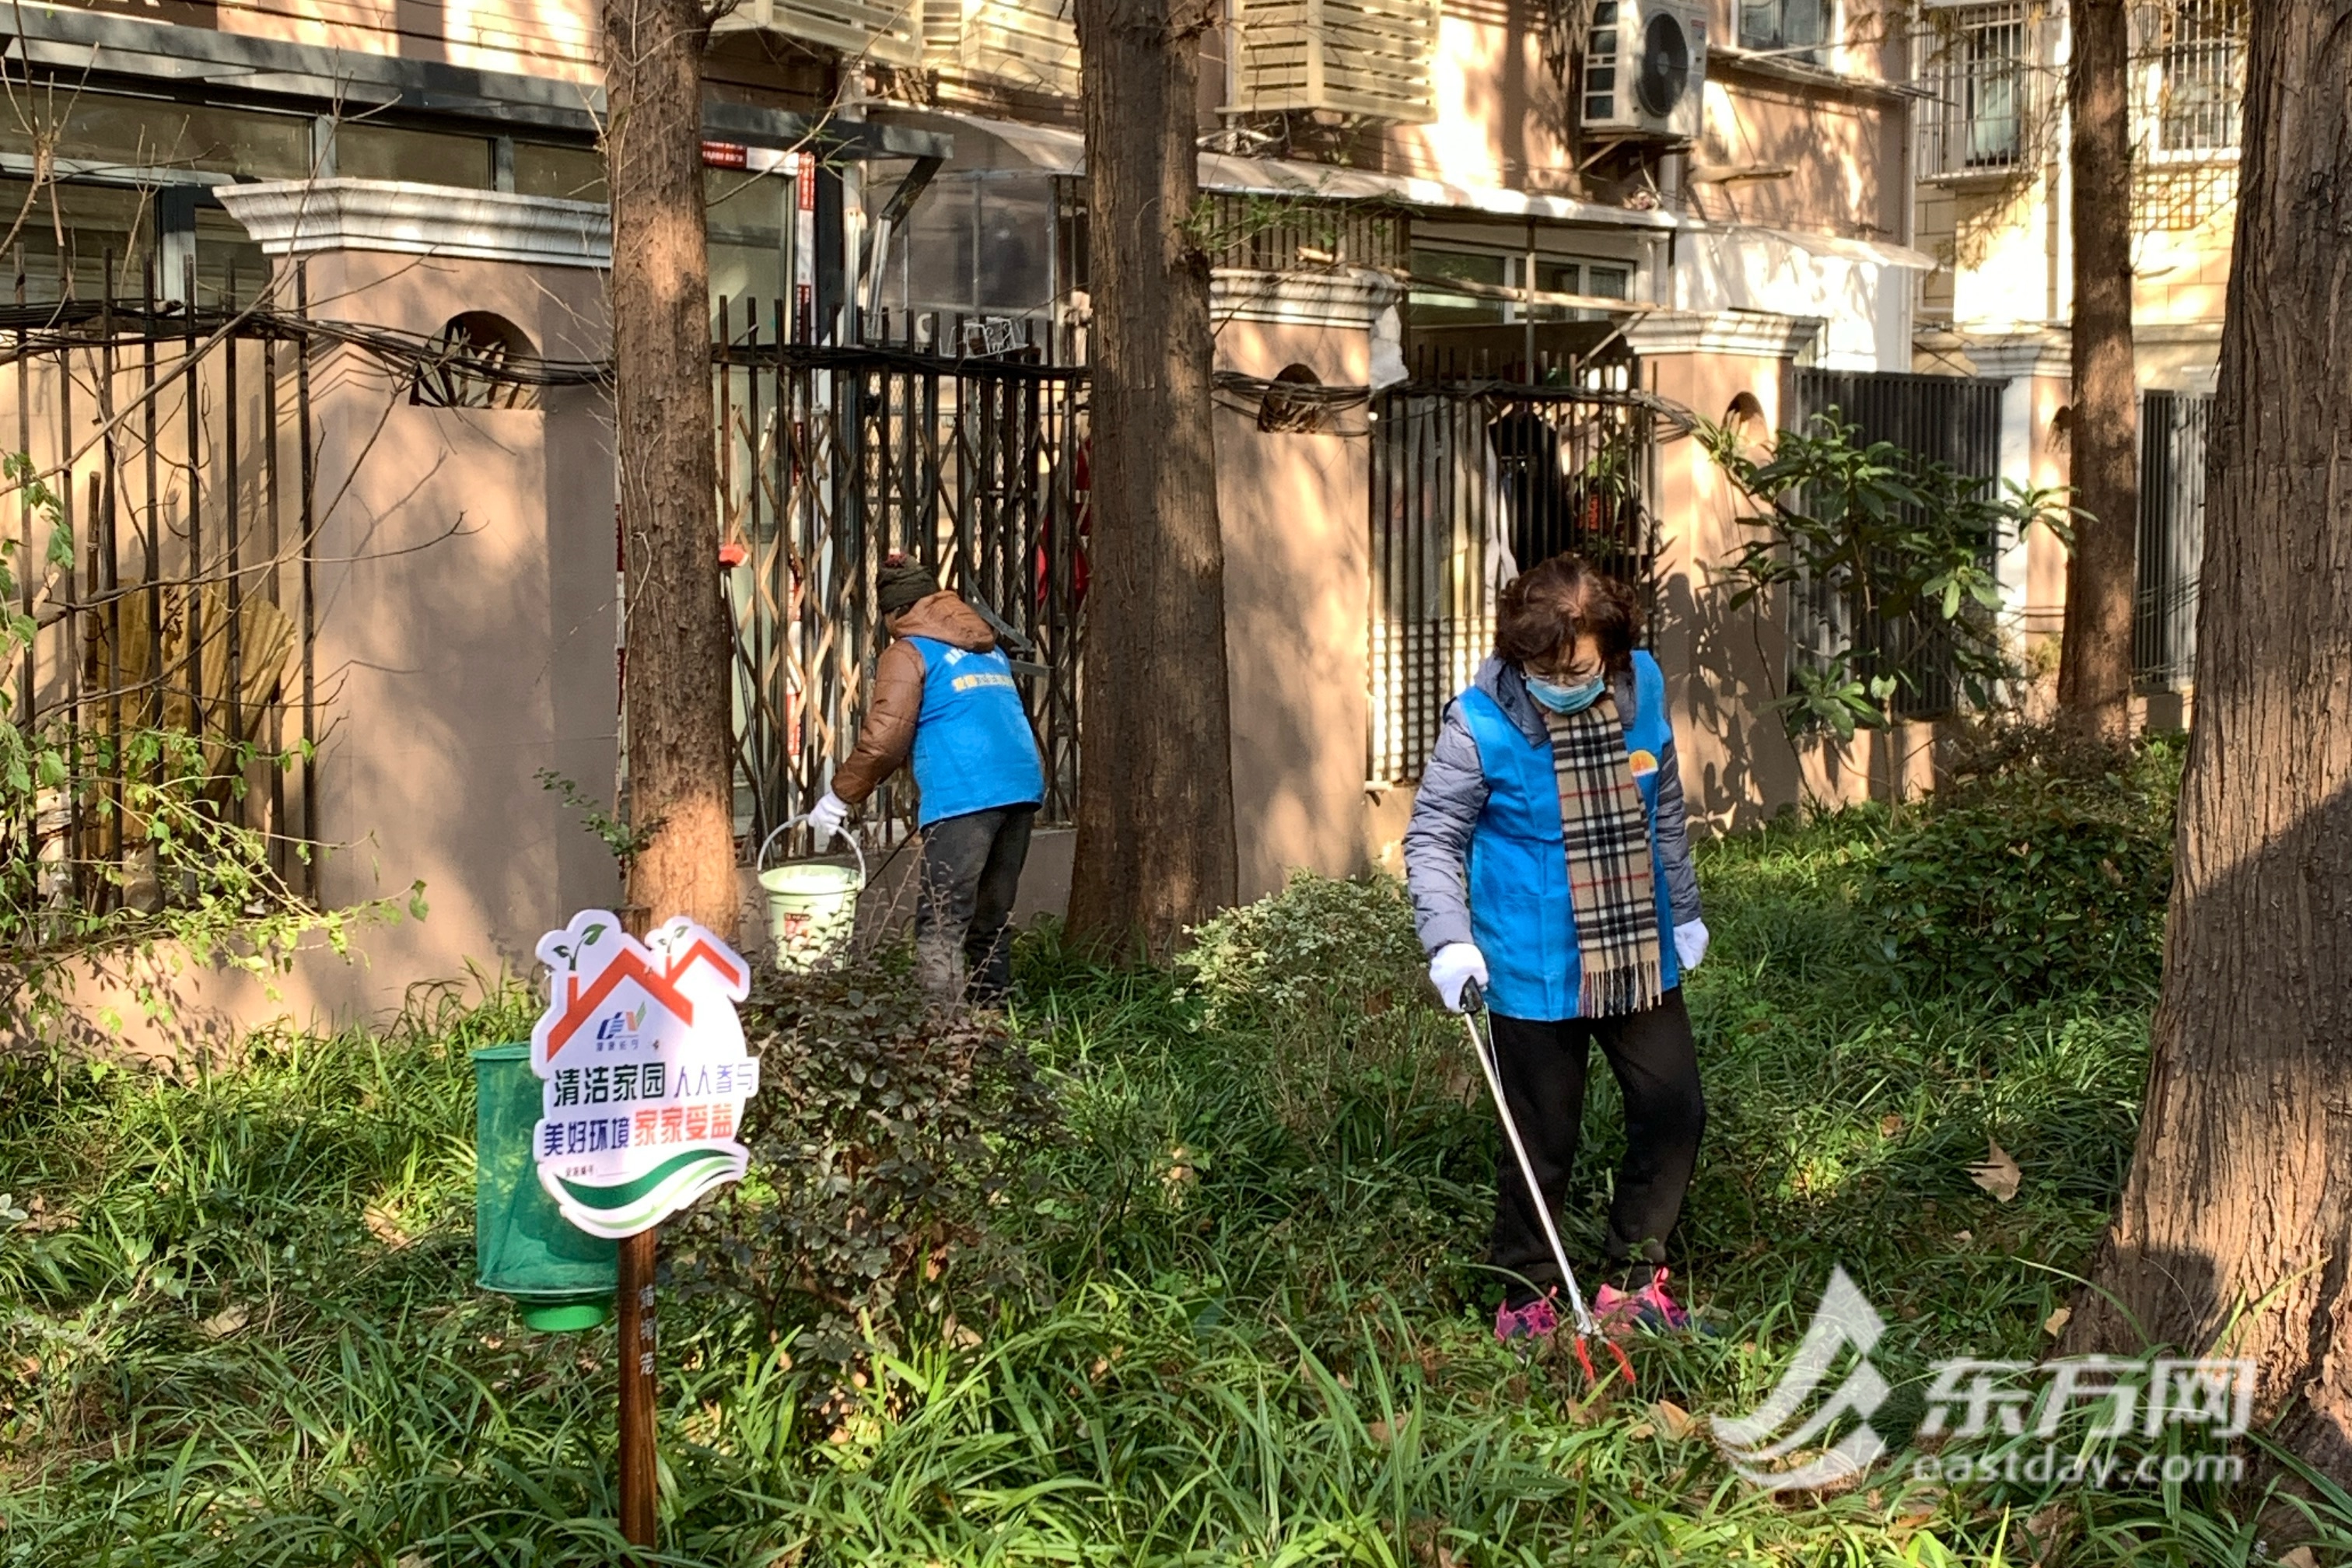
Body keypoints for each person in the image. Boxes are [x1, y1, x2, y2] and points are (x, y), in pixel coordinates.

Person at [1402, 553, 1710, 1344]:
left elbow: (1663, 805)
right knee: (1541, 1137)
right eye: (1544, 668)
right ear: (1519, 655)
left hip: (1636, 943)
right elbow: (1435, 835)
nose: (1563, 682)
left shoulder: (1643, 689)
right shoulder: (1481, 722)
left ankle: (1635, 1279)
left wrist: (1685, 911)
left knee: (1673, 1109)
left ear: (1612, 650)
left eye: (1579, 669)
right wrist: (1449, 942)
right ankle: (1527, 1290)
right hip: (1531, 958)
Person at [809, 555, 1044, 1008]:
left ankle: (942, 1035)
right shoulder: (985, 648)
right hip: (1021, 790)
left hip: (965, 797)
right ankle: (992, 1023)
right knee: (989, 921)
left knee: (942, 921)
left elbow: (885, 740)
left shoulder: (909, 651)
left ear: (896, 612)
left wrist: (839, 798)